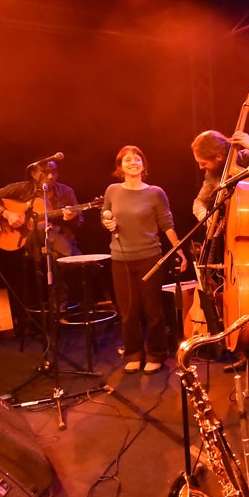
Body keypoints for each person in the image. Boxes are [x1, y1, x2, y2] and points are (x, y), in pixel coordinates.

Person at [102, 145, 187, 373]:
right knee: (128, 311)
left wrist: (179, 251)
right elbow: (106, 215)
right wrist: (107, 222)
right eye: (127, 159)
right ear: (120, 166)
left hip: (150, 257)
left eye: (137, 158)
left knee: (153, 310)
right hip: (120, 259)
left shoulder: (155, 193)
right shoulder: (112, 190)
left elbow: (167, 225)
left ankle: (157, 353)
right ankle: (133, 353)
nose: (132, 162)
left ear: (143, 164)